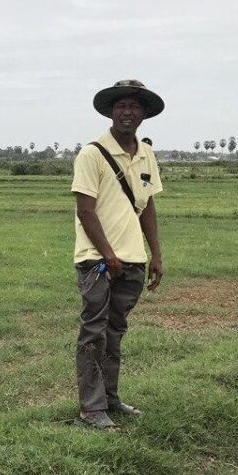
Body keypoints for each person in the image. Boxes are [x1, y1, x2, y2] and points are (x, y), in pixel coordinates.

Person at [70, 79, 165, 429]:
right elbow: (85, 210)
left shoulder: (146, 154)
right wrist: (108, 254)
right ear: (111, 111)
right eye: (121, 105)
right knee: (93, 331)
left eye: (135, 107)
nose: (128, 111)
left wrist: (155, 254)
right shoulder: (92, 154)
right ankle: (90, 410)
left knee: (115, 331)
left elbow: (148, 206)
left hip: (133, 261)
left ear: (144, 115)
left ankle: (108, 399)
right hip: (96, 261)